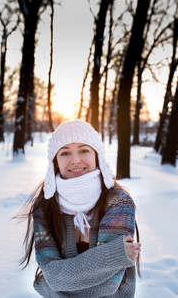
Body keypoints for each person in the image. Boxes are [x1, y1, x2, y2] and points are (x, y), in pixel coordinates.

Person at [20, 119, 141, 297]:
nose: (75, 160)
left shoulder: (118, 202)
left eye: (84, 150)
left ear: (97, 155)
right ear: (55, 161)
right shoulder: (44, 207)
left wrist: (50, 284)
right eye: (65, 153)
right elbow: (53, 276)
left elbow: (108, 285)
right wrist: (114, 254)